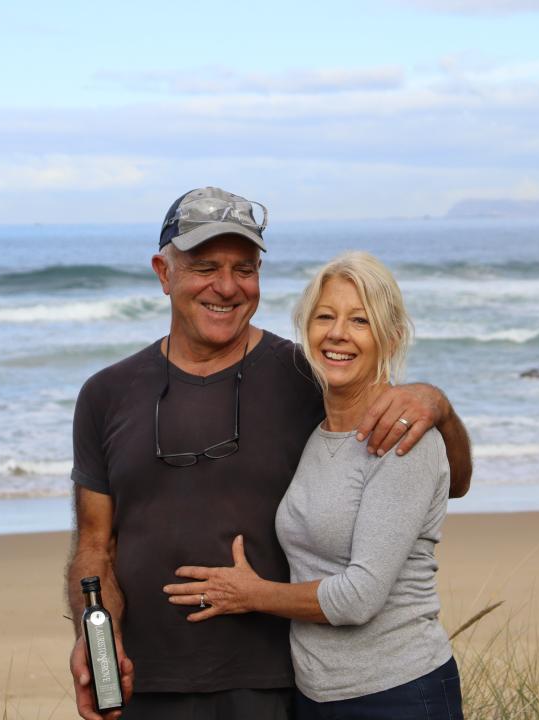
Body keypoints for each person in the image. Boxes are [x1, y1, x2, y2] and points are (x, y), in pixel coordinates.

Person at [65, 188, 472, 720]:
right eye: (205, 266)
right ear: (164, 273)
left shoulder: (309, 378)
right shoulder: (106, 394)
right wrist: (93, 637)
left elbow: (451, 478)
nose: (227, 287)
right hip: (143, 685)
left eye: (245, 268)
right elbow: (95, 546)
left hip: (276, 688)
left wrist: (436, 404)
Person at [162, 251, 463, 719]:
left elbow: (359, 597)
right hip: (316, 696)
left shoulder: (402, 438)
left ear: (392, 336)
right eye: (325, 317)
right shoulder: (316, 432)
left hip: (398, 693)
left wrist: (250, 594)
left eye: (360, 320)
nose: (338, 333)